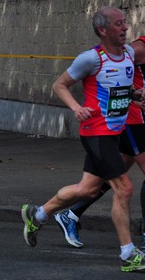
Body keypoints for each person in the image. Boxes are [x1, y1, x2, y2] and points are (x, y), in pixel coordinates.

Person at [21, 7, 145, 273]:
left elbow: (120, 87)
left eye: (125, 23)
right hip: (96, 133)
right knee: (124, 188)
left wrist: (135, 95)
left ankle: (37, 214)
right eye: (118, 24)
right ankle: (128, 254)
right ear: (103, 30)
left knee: (87, 189)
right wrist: (76, 108)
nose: (125, 28)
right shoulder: (91, 58)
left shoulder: (128, 55)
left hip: (115, 132)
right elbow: (59, 85)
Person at [54, 35, 145, 249]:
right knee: (120, 183)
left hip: (136, 120)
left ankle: (68, 213)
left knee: (103, 179)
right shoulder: (138, 48)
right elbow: (119, 76)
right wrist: (136, 95)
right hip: (132, 120)